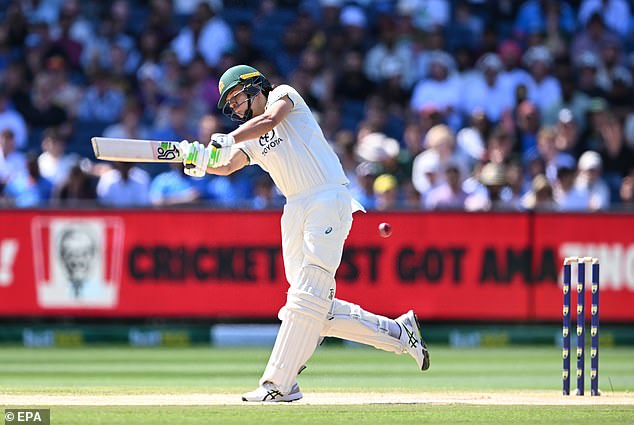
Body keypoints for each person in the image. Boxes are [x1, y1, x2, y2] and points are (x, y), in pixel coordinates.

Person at [179, 65, 430, 402]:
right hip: (295, 208)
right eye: (230, 105)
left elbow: (269, 122)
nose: (236, 109)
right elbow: (226, 165)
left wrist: (230, 137)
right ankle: (400, 333)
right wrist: (197, 161)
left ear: (256, 88)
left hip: (327, 197)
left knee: (308, 295)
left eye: (238, 98)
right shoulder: (250, 136)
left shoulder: (283, 96)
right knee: (313, 308)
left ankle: (278, 384)